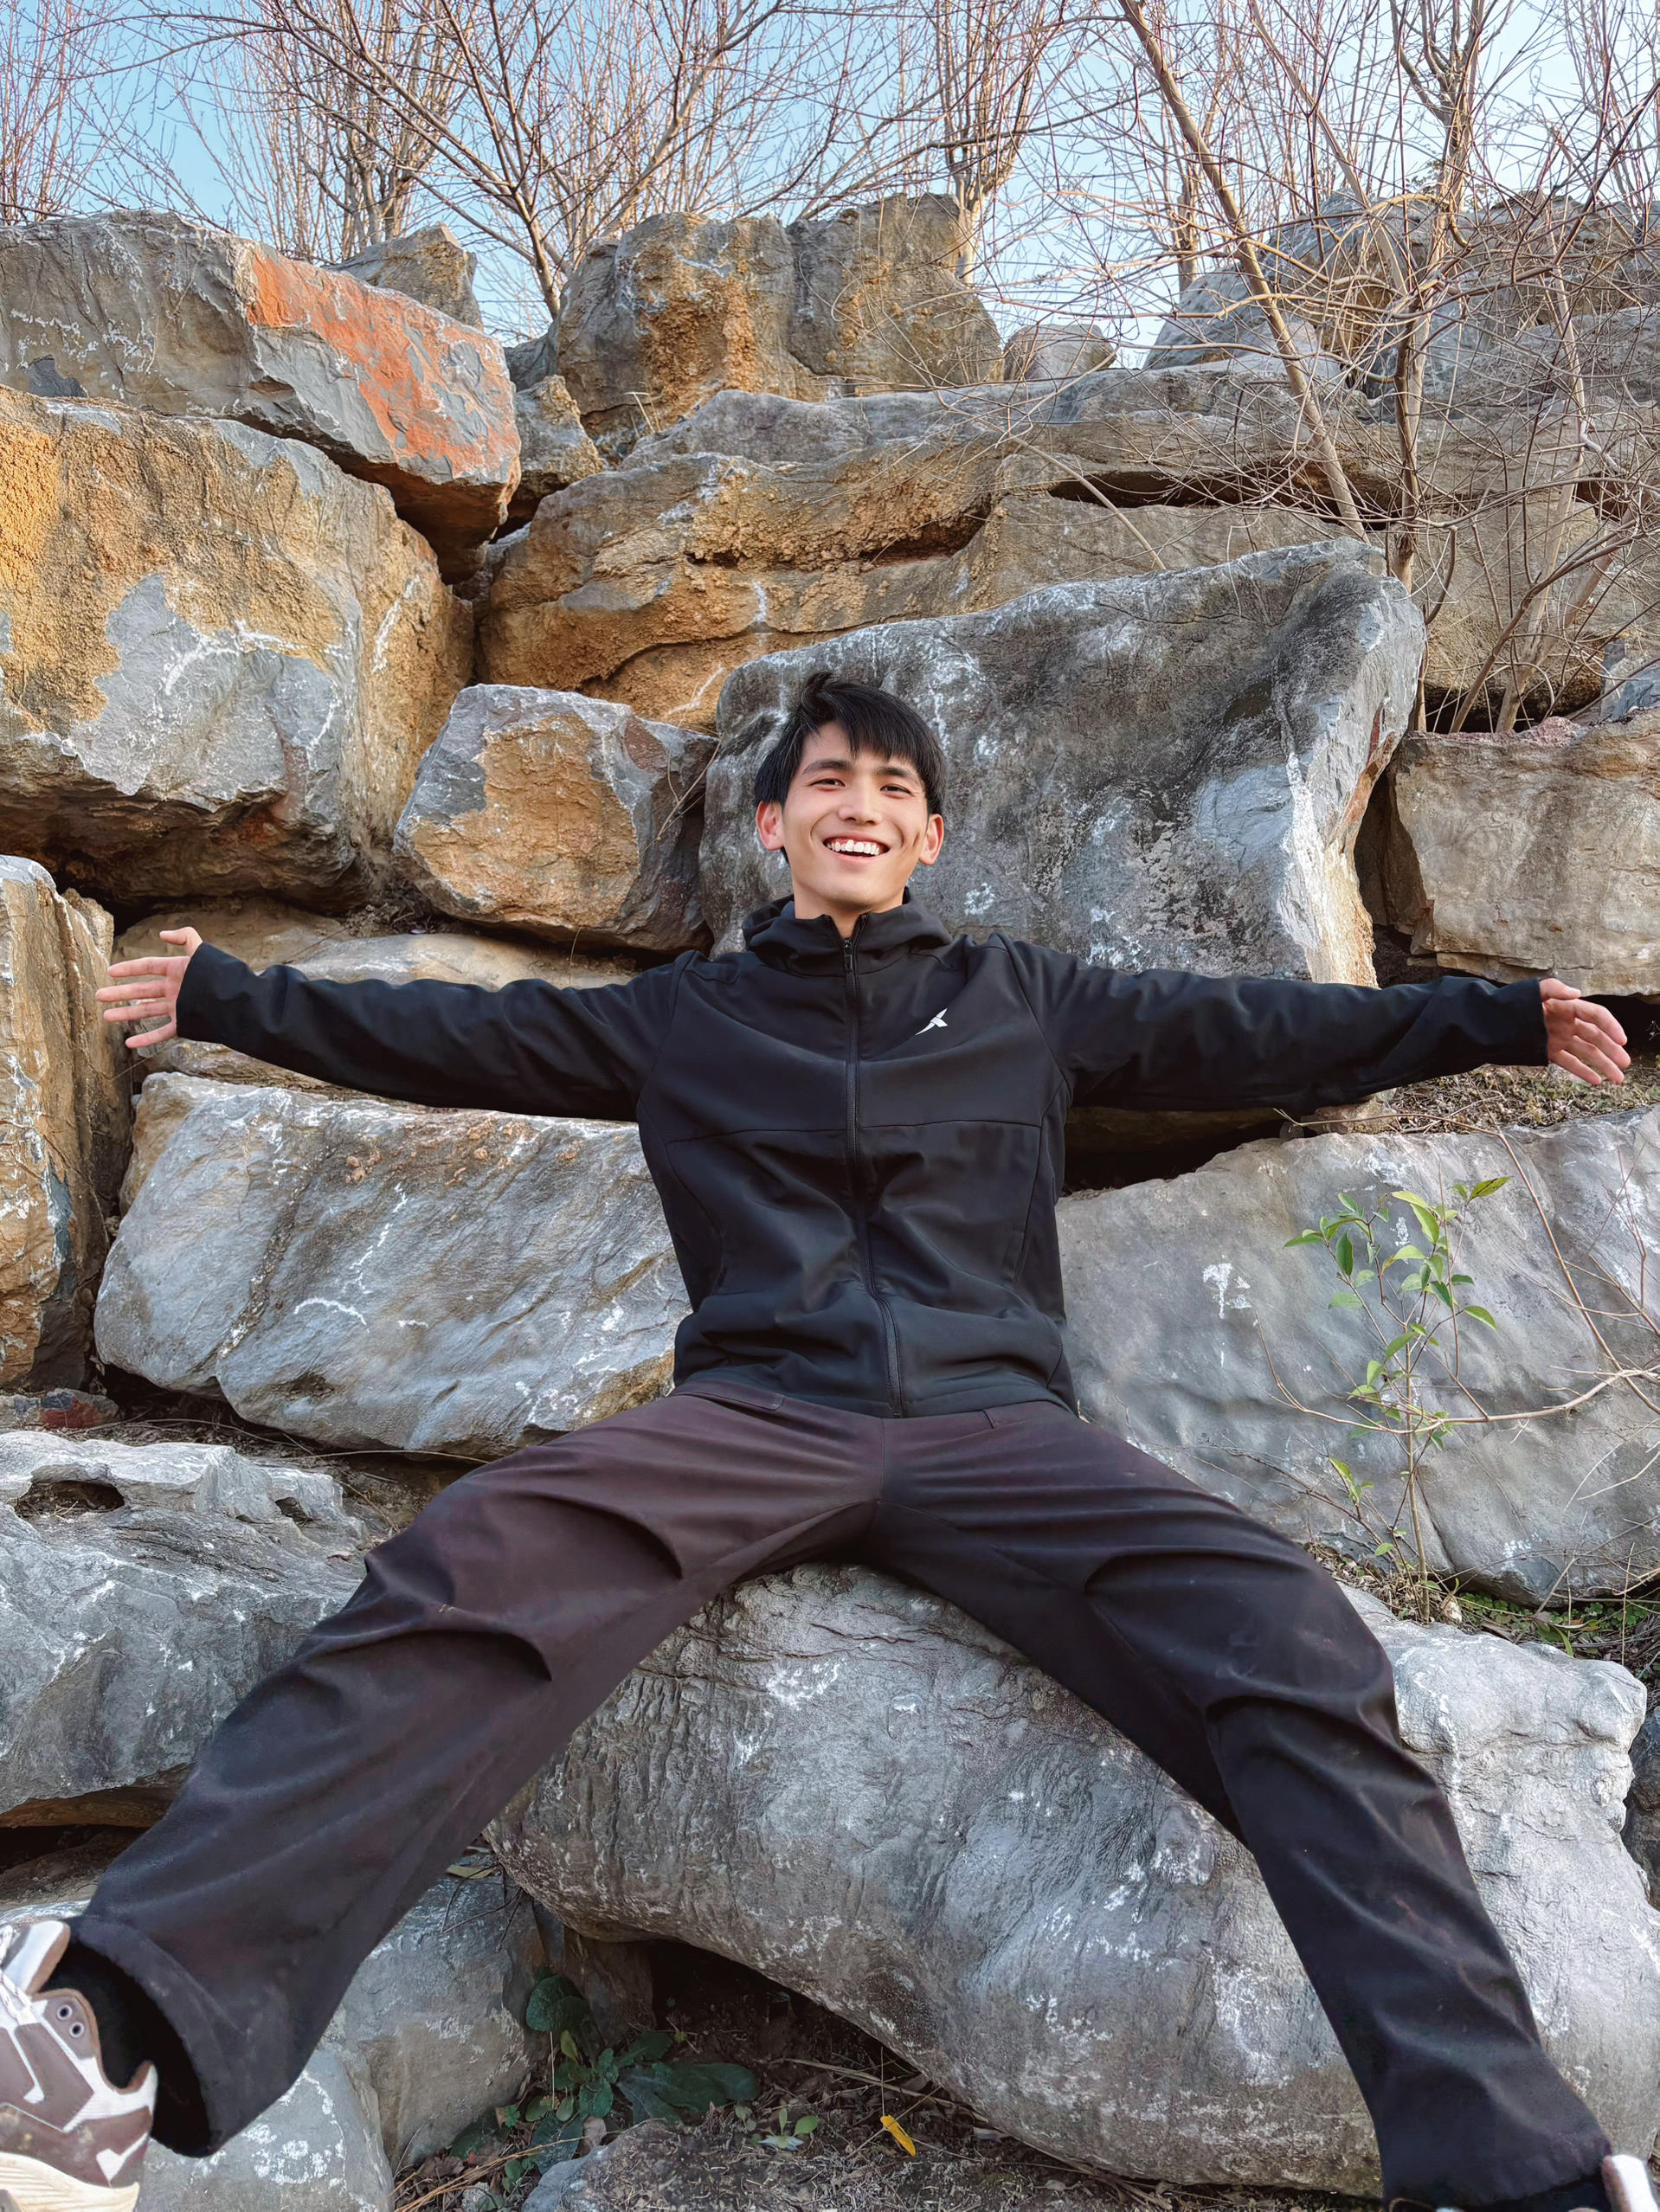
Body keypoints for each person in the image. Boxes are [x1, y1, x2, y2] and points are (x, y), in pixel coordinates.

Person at [7, 674, 1643, 2212]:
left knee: (1286, 1637)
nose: (859, 803)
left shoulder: (1024, 1001)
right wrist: (231, 996)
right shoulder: (686, 1019)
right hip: (757, 1418)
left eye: (893, 788)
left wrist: (1491, 1018)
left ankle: (1507, 2166)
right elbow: (452, 1036)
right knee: (472, 1566)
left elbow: (1257, 1030)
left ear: (928, 838)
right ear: (773, 826)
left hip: (999, 1434)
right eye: (828, 781)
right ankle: (106, 2025)